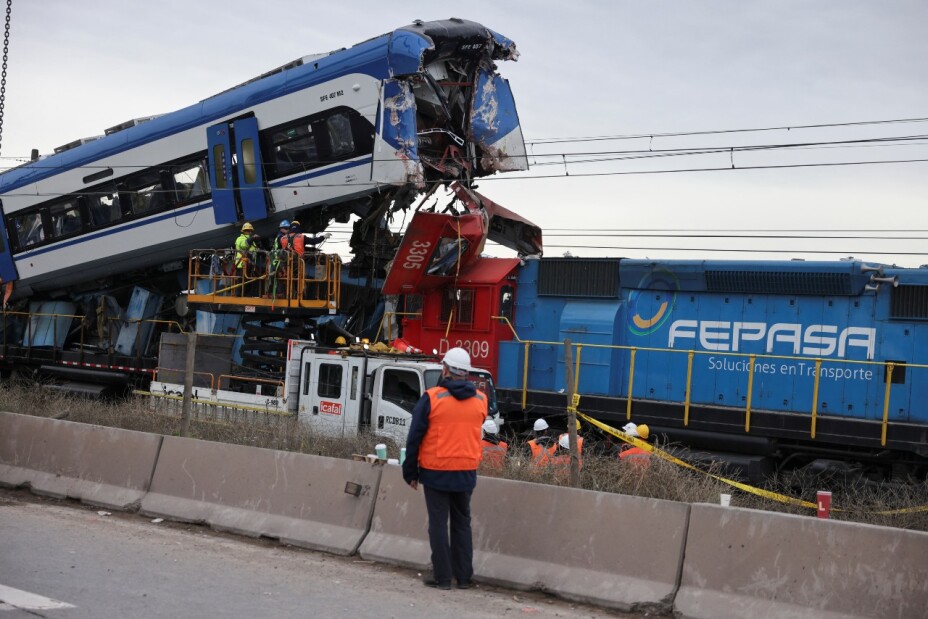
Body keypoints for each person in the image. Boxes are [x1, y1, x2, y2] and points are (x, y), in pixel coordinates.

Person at [402, 347, 487, 590]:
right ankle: (463, 578)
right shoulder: (481, 400)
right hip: (466, 472)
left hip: (436, 471)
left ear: (446, 369)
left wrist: (410, 472)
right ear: (467, 373)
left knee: (438, 524)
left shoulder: (432, 398)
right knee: (462, 524)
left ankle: (442, 578)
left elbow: (414, 437)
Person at [234, 223, 259, 295]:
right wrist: (252, 238)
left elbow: (254, 251)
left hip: (249, 265)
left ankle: (246, 298)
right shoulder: (240, 239)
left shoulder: (252, 241)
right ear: (243, 231)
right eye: (248, 230)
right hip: (242, 265)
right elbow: (244, 245)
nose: (250, 232)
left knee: (248, 284)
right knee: (242, 284)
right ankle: (238, 299)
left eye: (251, 231)